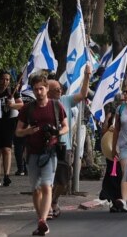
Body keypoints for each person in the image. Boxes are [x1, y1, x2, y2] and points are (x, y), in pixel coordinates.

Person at [16, 74, 68, 236]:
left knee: (46, 186)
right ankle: (41, 220)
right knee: (35, 190)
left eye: (41, 88)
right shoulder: (27, 108)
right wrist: (28, 131)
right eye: (36, 89)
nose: (39, 92)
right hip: (32, 153)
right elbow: (18, 132)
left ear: (47, 89)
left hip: (49, 152)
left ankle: (43, 220)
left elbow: (66, 126)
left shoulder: (56, 106)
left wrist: (57, 132)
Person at [46, 70, 90, 220]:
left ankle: (54, 199)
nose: (60, 91)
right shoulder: (42, 104)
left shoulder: (66, 100)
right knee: (46, 179)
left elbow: (83, 95)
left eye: (60, 89)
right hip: (46, 147)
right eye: (56, 89)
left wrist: (87, 76)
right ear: (48, 92)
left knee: (64, 179)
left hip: (64, 145)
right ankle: (47, 206)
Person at [103, 80, 127, 213]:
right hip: (124, 145)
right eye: (124, 91)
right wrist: (114, 147)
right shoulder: (121, 108)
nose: (125, 94)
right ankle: (124, 201)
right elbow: (117, 129)